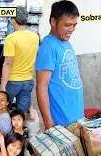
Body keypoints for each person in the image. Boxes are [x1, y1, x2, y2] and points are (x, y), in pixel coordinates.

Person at [36, 0, 84, 130]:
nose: (72, 29)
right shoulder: (48, 46)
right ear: (53, 22)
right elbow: (41, 86)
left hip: (77, 116)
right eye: (68, 25)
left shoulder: (65, 42)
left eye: (74, 25)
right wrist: (48, 122)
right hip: (61, 122)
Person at [0, 6, 39, 113]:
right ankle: (19, 129)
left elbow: (8, 63)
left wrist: (3, 86)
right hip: (27, 81)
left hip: (12, 81)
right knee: (22, 113)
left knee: (2, 109)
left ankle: (4, 129)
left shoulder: (11, 38)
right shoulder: (35, 37)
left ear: (13, 21)